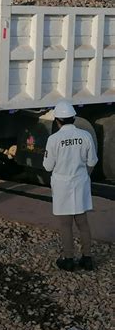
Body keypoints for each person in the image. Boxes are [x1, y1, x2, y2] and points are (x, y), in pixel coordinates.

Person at [43, 101, 98, 271]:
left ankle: (68, 259)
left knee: (65, 225)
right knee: (83, 223)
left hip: (62, 185)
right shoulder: (86, 136)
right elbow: (92, 161)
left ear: (57, 120)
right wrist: (84, 175)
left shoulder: (54, 139)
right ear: (74, 118)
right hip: (80, 182)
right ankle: (87, 258)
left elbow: (47, 166)